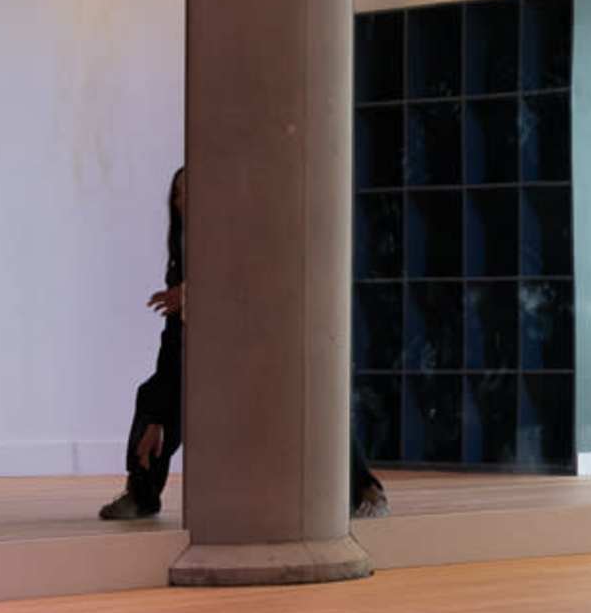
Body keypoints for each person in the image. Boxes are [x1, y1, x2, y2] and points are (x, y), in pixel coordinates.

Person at [101, 167, 388, 523]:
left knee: (309, 398)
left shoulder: (243, 238)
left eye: (190, 191)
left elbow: (252, 292)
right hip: (205, 360)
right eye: (177, 194)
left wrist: (193, 293)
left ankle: (365, 488)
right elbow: (173, 336)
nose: (183, 200)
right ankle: (142, 494)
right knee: (152, 398)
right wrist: (158, 416)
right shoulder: (182, 252)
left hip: (255, 355)